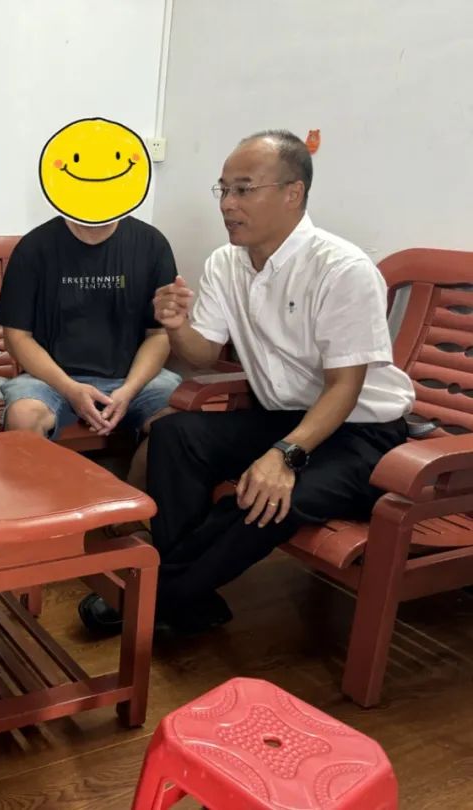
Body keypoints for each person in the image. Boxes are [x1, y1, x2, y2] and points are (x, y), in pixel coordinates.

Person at [78, 130, 415, 636]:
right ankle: (187, 600)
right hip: (282, 417)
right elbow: (202, 354)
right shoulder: (226, 262)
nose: (227, 204)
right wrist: (176, 326)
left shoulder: (342, 268)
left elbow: (344, 388)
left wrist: (285, 455)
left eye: (243, 189)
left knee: (275, 494)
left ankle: (158, 595)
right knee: (173, 435)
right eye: (224, 189)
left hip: (362, 432)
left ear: (292, 193)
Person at [0, 215, 182, 489]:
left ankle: (132, 501)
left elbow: (159, 335)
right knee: (23, 416)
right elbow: (17, 337)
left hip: (133, 378)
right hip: (52, 380)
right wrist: (69, 388)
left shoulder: (151, 243)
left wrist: (129, 390)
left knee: (176, 421)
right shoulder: (35, 246)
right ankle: (49, 509)